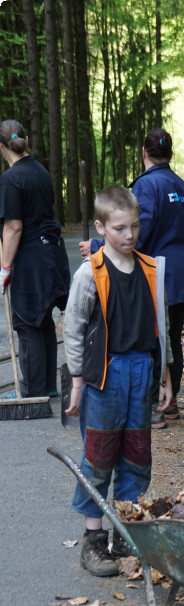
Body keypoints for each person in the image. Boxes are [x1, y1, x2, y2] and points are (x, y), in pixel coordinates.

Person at [64, 186, 173, 577]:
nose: (129, 236)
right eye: (120, 228)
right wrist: (77, 379)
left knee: (137, 455)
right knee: (99, 456)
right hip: (106, 376)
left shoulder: (149, 268)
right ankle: (94, 541)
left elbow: (160, 326)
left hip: (142, 370)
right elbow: (74, 327)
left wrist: (164, 375)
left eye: (135, 227)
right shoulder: (90, 272)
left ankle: (126, 533)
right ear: (101, 227)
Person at [82, 128, 184, 428]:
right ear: (170, 154)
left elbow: (135, 235)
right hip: (182, 273)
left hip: (155, 275)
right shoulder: (183, 187)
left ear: (143, 153)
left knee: (153, 338)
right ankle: (169, 403)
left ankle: (154, 406)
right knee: (171, 338)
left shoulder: (146, 187)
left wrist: (96, 246)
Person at [0, 119, 70, 397]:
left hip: (30, 259)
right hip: (52, 255)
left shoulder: (10, 178)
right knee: (42, 320)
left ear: (2, 146)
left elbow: (13, 227)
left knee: (27, 321)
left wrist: (5, 267)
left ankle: (31, 392)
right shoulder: (40, 170)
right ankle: (47, 388)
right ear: (26, 140)